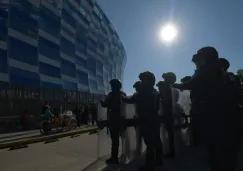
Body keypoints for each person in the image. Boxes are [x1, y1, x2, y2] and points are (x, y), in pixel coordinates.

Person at [172, 46, 239, 171]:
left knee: (214, 149)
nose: (197, 60)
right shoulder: (219, 71)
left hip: (211, 114)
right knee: (222, 148)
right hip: (222, 114)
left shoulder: (206, 70)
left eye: (199, 57)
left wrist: (174, 85)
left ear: (206, 57)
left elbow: (190, 84)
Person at [123, 71, 162, 171]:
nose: (141, 82)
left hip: (146, 119)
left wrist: (122, 97)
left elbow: (131, 100)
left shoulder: (143, 91)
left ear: (146, 80)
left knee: (149, 143)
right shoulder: (155, 91)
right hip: (155, 118)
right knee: (156, 140)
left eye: (142, 79)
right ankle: (159, 160)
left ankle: (149, 165)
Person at [100, 79, 126, 164]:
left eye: (112, 86)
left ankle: (116, 157)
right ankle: (116, 157)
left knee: (117, 140)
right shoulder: (121, 94)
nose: (111, 87)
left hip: (116, 120)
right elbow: (105, 105)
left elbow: (105, 105)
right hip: (118, 120)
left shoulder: (114, 95)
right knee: (117, 140)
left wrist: (101, 102)